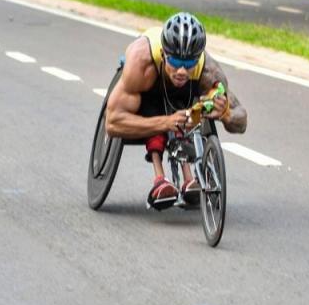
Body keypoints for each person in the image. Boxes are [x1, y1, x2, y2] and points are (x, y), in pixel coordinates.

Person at [105, 12, 247, 209]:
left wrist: (226, 114)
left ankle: (188, 177)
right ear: (164, 55)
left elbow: (242, 120)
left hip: (183, 99)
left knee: (189, 108)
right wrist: (165, 122)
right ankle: (160, 178)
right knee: (152, 105)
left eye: (189, 64)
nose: (182, 71)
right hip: (150, 88)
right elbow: (112, 123)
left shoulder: (208, 71)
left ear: (198, 59)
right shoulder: (141, 63)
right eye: (176, 63)